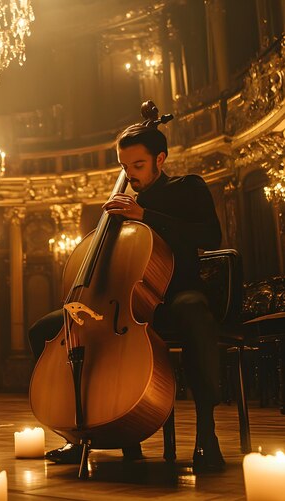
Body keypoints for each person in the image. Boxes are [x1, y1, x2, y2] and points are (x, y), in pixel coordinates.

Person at [29, 112, 226, 473]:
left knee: (196, 314)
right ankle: (78, 433)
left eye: (137, 164)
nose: (130, 173)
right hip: (125, 306)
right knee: (46, 329)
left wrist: (145, 215)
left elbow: (210, 236)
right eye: (124, 165)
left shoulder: (187, 187)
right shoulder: (118, 206)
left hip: (175, 292)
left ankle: (206, 434)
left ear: (160, 160)